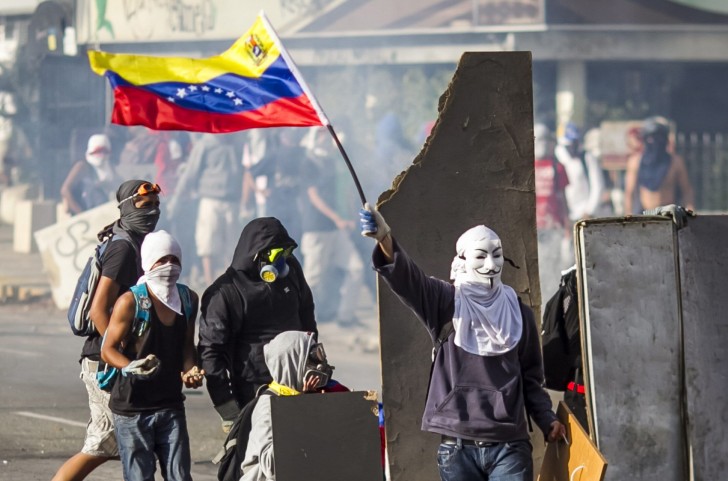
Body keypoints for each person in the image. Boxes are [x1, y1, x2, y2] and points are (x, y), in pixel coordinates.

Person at [359, 207, 566, 481]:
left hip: (510, 447)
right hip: (457, 449)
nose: (491, 265)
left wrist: (547, 419)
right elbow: (409, 279)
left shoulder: (519, 313)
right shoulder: (445, 302)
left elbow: (531, 379)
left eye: (497, 254)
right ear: (463, 260)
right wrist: (385, 238)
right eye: (481, 256)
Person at [53, 179, 163, 481]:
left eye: (156, 205)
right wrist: (120, 351)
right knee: (101, 445)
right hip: (105, 361)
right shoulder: (123, 249)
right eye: (145, 205)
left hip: (115, 358)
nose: (152, 212)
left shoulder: (135, 244)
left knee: (134, 443)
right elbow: (98, 310)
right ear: (127, 208)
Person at [101, 230, 203, 481]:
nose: (169, 266)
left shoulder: (188, 299)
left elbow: (187, 346)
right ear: (148, 263)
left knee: (180, 476)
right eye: (162, 260)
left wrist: (190, 370)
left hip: (170, 403)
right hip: (133, 407)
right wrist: (131, 366)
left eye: (174, 260)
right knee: (140, 477)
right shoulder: (131, 301)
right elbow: (108, 349)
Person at [199, 217, 317, 433]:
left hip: (299, 383)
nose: (283, 261)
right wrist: (227, 408)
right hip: (254, 389)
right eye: (276, 255)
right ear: (256, 254)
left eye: (286, 253)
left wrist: (314, 361)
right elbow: (211, 353)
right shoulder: (225, 293)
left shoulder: (291, 271)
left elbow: (307, 315)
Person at [239, 331, 347, 481]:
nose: (320, 366)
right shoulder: (268, 405)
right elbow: (272, 468)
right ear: (292, 364)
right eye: (312, 359)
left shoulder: (306, 397)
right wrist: (303, 410)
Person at [299, 129, 357, 325]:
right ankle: (304, 321)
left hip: (336, 230)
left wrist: (348, 216)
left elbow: (343, 192)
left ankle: (345, 317)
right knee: (313, 279)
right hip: (316, 229)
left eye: (326, 134)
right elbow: (314, 197)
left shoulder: (331, 162)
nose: (325, 138)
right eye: (321, 134)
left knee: (355, 269)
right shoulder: (308, 163)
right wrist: (337, 218)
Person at [173, 133, 244, 285]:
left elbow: (243, 171)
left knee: (232, 243)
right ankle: (209, 280)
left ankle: (231, 280)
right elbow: (191, 172)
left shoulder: (237, 142)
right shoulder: (205, 144)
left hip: (232, 200)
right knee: (207, 242)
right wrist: (177, 198)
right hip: (210, 199)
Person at [623, 117, 695, 213]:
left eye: (659, 138)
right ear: (645, 139)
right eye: (651, 138)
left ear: (665, 140)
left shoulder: (675, 162)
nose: (655, 142)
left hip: (669, 214)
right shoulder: (635, 162)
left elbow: (686, 191)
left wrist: (690, 211)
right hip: (646, 214)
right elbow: (629, 193)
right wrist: (629, 216)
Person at [533, 123, 571, 294]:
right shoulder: (526, 167)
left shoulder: (557, 167)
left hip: (553, 227)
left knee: (554, 267)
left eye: (545, 139)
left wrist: (567, 226)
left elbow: (562, 198)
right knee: (538, 267)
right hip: (533, 228)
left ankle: (552, 298)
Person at [61, 134, 117, 215]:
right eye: (98, 151)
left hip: (104, 211)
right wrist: (80, 214)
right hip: (86, 211)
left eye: (104, 151)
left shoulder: (110, 167)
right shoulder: (82, 166)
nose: (101, 155)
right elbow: (65, 189)